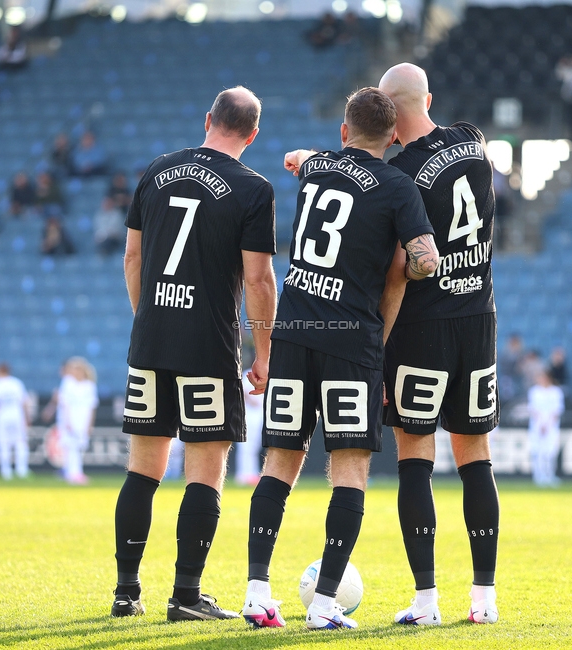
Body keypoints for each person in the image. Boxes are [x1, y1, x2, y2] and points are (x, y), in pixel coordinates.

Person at [245, 85, 438, 631]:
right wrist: (418, 259)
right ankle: (325, 605)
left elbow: (306, 158)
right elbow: (424, 260)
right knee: (349, 468)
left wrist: (303, 157)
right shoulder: (398, 186)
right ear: (396, 135)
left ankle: (257, 592)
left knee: (279, 463)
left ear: (344, 131)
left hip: (295, 331)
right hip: (351, 340)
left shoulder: (320, 167)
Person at [111, 87, 278, 623]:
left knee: (143, 472)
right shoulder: (254, 188)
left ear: (207, 120)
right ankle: (185, 595)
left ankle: (126, 591)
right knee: (204, 472)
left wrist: (149, 316)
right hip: (208, 346)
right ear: (252, 135)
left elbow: (132, 256)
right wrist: (264, 351)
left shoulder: (157, 170)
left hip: (151, 339)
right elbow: (257, 277)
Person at [376, 62, 501, 627]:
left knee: (415, 461)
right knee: (476, 457)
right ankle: (484, 599)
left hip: (422, 327)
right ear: (429, 96)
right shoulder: (474, 143)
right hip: (478, 319)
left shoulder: (398, 174)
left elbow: (401, 265)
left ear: (386, 116)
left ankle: (426, 601)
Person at [0, 362, 30, 480]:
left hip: (2, 418)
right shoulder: (16, 383)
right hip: (17, 417)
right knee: (20, 443)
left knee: (4, 444)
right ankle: (22, 471)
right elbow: (24, 402)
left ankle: (6, 472)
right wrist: (27, 417)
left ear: (0, 371)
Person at [59, 358, 97, 485]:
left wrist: (90, 424)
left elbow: (92, 407)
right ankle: (72, 473)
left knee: (80, 447)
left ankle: (76, 472)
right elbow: (65, 405)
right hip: (71, 420)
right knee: (71, 447)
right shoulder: (68, 383)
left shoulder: (90, 386)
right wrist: (67, 421)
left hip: (83, 420)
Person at [527, 371, 564, 487]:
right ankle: (538, 476)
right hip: (537, 427)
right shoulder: (534, 391)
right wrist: (541, 424)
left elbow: (557, 411)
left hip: (551, 427)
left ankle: (550, 475)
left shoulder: (556, 392)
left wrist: (548, 424)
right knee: (537, 451)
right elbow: (533, 410)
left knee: (550, 452)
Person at [234, 390, 263, 486]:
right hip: (247, 416)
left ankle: (252, 473)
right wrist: (251, 400)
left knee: (253, 448)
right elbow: (241, 391)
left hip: (258, 416)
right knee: (246, 447)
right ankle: (243, 474)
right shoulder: (248, 376)